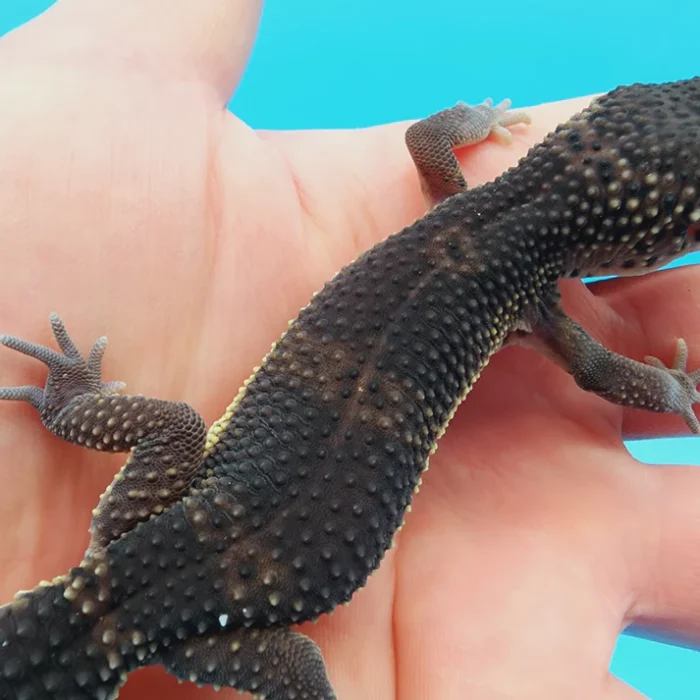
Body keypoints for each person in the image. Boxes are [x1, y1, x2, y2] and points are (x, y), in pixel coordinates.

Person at [0, 2, 698, 698]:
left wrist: (477, 122)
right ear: (643, 247)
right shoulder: (538, 306)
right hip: (220, 597)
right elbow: (606, 373)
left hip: (177, 544)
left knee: (180, 437)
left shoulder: (461, 202)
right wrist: (671, 389)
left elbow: (428, 140)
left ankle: (68, 402)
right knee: (299, 670)